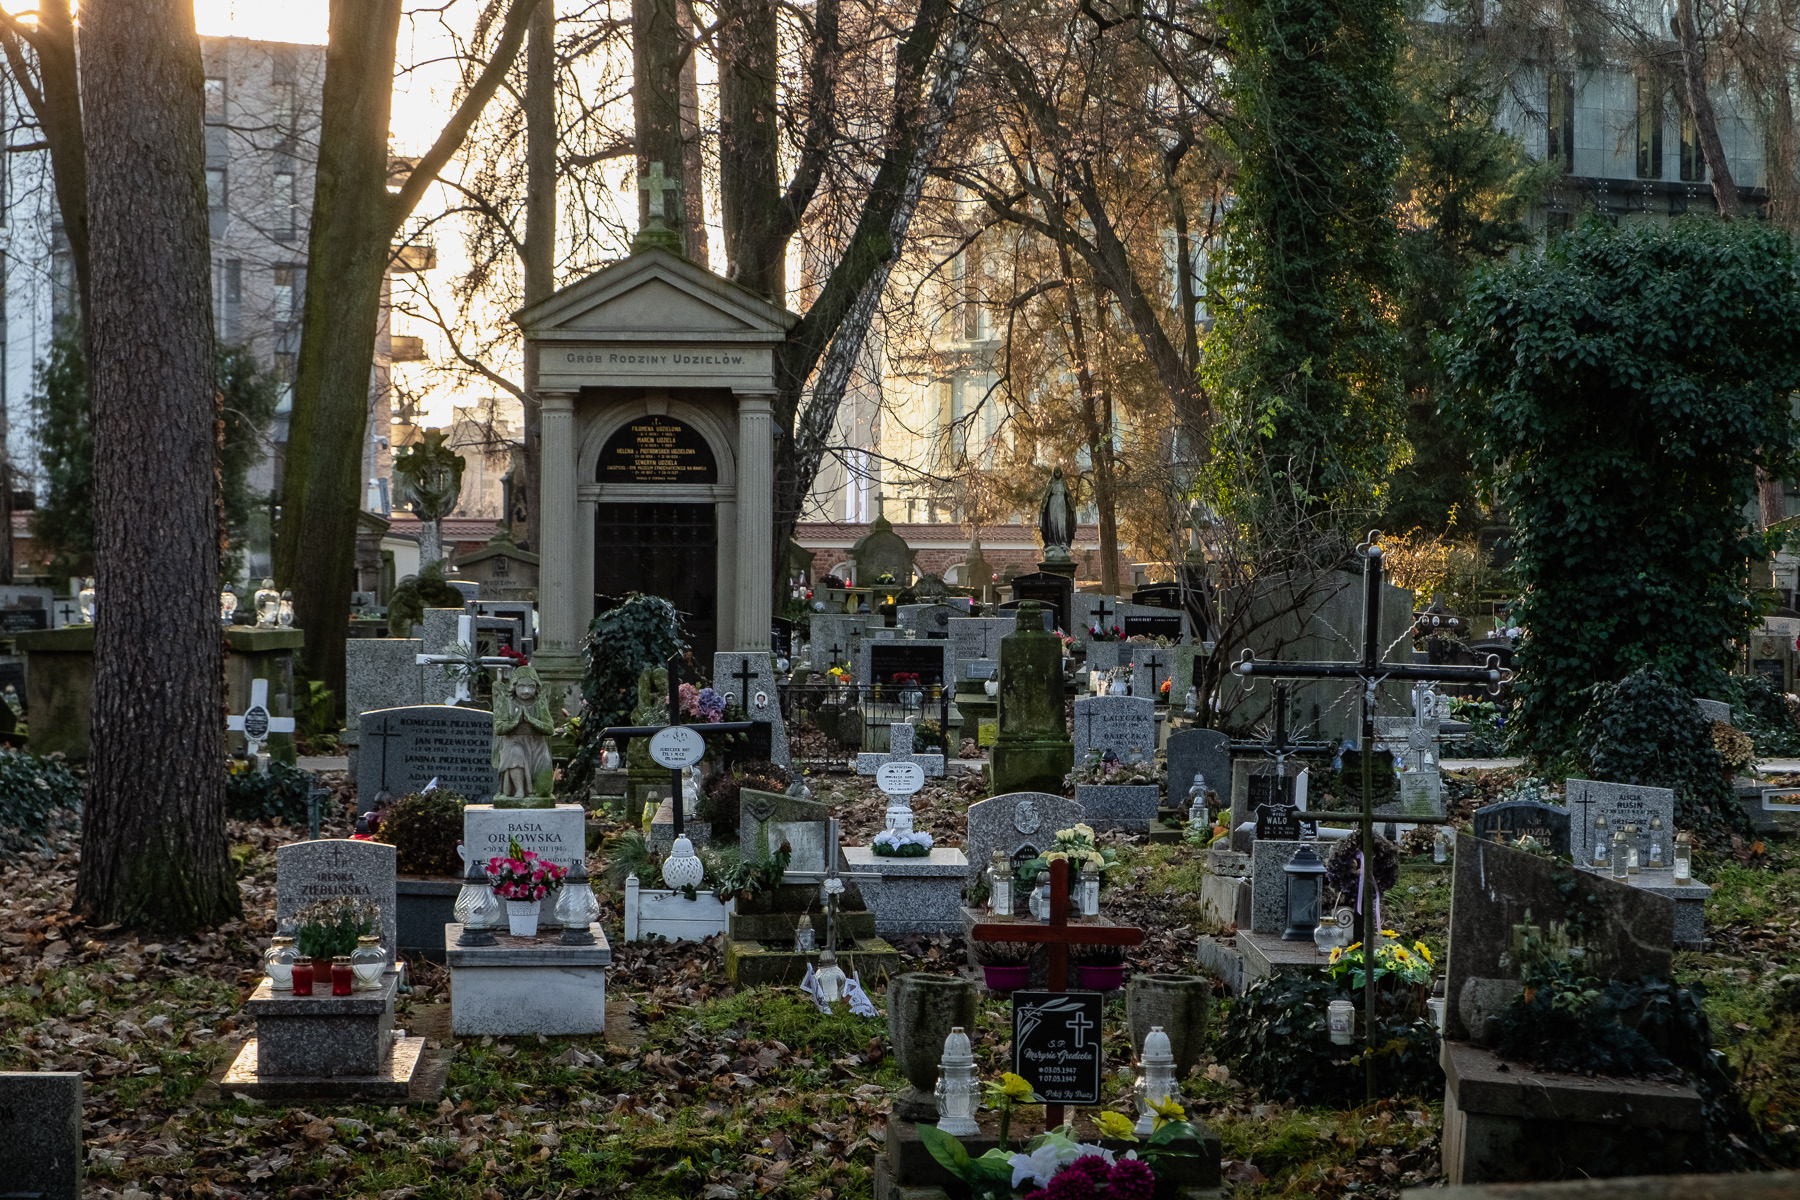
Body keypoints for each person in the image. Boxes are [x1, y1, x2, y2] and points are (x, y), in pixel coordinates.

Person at [493, 664, 555, 807]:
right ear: (514, 686)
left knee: (544, 792)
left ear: (536, 688)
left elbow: (550, 729)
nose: (526, 690)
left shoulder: (539, 703)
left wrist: (531, 720)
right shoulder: (507, 702)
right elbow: (499, 728)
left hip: (537, 745)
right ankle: (519, 789)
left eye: (531, 687)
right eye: (521, 686)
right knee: (516, 753)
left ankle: (536, 786)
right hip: (513, 742)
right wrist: (515, 722)